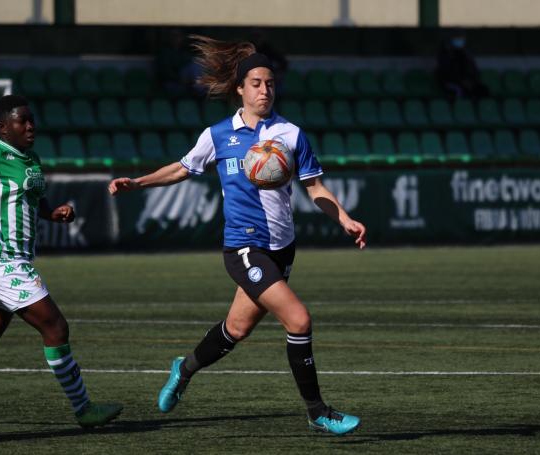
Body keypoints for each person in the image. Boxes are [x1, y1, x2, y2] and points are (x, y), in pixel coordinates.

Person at [109, 35, 367, 435]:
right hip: (244, 248)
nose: (265, 90)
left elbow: (314, 188)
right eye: (257, 84)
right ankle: (318, 411)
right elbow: (182, 168)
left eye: (270, 84)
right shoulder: (218, 136)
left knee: (237, 329)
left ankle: (185, 368)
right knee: (298, 320)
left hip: (282, 249)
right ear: (240, 89)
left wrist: (344, 219)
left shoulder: (292, 134)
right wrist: (138, 183)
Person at [0, 95, 122, 428]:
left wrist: (52, 213)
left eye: (31, 120)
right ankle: (84, 408)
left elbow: (33, 200)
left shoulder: (31, 159)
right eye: (21, 121)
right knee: (55, 326)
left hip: (10, 260)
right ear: (3, 128)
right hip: (3, 261)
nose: (30, 126)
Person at [435, 33, 489, 100]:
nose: (460, 41)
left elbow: (472, 70)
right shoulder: (446, 56)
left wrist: (471, 81)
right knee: (461, 91)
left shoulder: (465, 54)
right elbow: (447, 73)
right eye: (458, 38)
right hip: (452, 82)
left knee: (483, 90)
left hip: (467, 81)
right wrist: (461, 81)